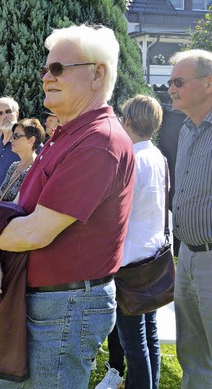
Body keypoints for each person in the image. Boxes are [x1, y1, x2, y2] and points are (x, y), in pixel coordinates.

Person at [0, 25, 135, 388]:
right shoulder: (67, 135)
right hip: (45, 302)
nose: (47, 77)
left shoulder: (99, 142)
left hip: (65, 308)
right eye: (46, 69)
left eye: (59, 69)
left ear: (98, 73)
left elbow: (34, 230)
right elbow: (16, 211)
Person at [96, 95, 166, 389]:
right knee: (149, 335)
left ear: (127, 121)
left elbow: (115, 211)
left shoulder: (130, 159)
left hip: (129, 259)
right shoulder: (158, 156)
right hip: (153, 255)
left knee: (133, 340)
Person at [168, 49, 212, 389]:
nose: (170, 88)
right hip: (187, 256)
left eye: (179, 82)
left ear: (209, 83)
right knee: (191, 352)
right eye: (170, 81)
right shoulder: (185, 129)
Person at [0, 119, 44, 202]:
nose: (11, 140)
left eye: (16, 136)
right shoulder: (14, 166)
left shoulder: (36, 170)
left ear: (31, 140)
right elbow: (1, 195)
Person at [0, 97, 20, 197]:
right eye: (0, 113)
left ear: (16, 114)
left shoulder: (28, 141)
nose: (5, 116)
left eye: (8, 111)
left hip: (16, 207)